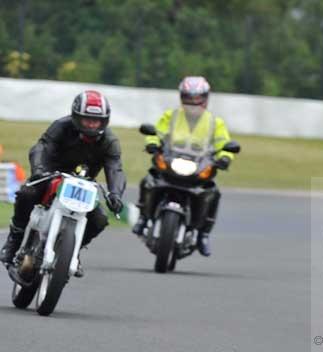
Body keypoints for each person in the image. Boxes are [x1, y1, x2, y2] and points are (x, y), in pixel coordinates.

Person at [0, 90, 125, 276]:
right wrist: (39, 170)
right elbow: (42, 147)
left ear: (104, 121)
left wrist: (115, 194)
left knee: (99, 220)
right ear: (77, 117)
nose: (91, 124)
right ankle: (14, 239)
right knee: (27, 193)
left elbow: (115, 168)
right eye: (87, 119)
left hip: (84, 183)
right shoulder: (61, 126)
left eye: (96, 120)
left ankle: (72, 251)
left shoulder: (110, 141)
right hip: (51, 173)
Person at [131, 76, 235, 256]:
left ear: (205, 97)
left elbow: (224, 144)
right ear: (182, 96)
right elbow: (156, 132)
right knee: (148, 180)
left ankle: (203, 234)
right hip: (171, 161)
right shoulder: (170, 116)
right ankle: (143, 218)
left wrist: (225, 157)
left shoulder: (215, 122)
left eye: (197, 97)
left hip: (199, 165)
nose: (193, 102)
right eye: (189, 97)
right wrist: (152, 143)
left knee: (213, 193)